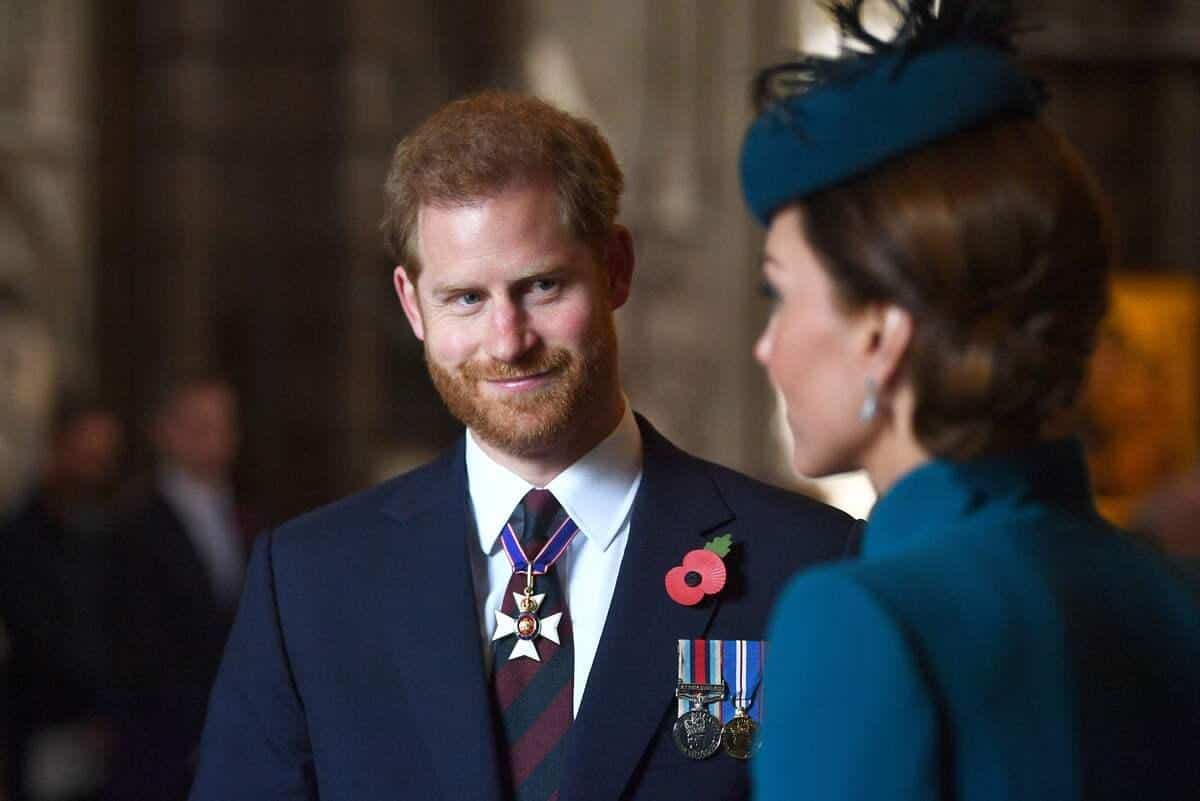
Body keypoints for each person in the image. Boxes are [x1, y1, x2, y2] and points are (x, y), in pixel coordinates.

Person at [188, 91, 858, 801]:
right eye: (466, 299)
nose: (508, 341)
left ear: (616, 268)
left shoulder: (809, 565)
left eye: (542, 285)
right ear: (413, 305)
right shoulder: (306, 585)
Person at [738, 2, 1200, 799]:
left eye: (779, 295)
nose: (765, 345)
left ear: (881, 334)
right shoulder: (1167, 593)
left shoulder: (859, 619)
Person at [106, 376, 247, 801]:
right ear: (166, 432)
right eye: (199, 424)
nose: (215, 437)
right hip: (163, 739)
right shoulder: (132, 526)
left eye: (222, 424)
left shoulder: (247, 516)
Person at [0, 395, 123, 801]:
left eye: (105, 456)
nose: (97, 467)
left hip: (108, 732)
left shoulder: (112, 529)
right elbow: (39, 635)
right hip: (48, 725)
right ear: (60, 447)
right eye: (88, 453)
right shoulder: (21, 538)